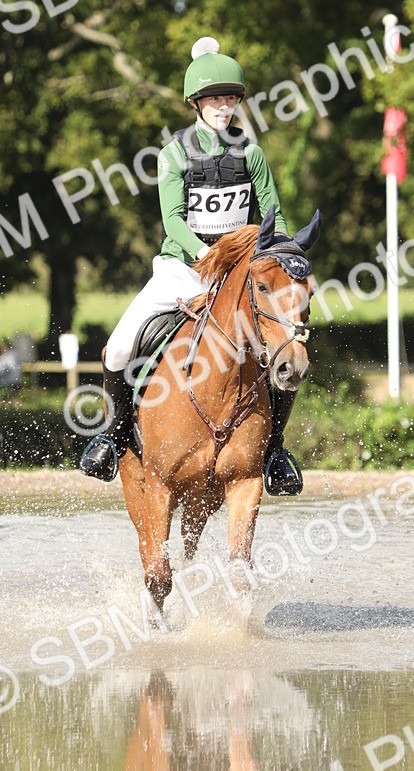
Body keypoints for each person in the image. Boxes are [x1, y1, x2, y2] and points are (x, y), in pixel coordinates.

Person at [80, 37, 303, 494]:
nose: (224, 106)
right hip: (182, 269)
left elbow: (272, 215)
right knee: (119, 349)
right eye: (215, 98)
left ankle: (274, 450)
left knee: (288, 350)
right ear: (196, 102)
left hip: (238, 276)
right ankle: (114, 436)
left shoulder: (252, 154)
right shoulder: (174, 154)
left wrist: (277, 256)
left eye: (231, 98)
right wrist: (203, 254)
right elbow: (173, 220)